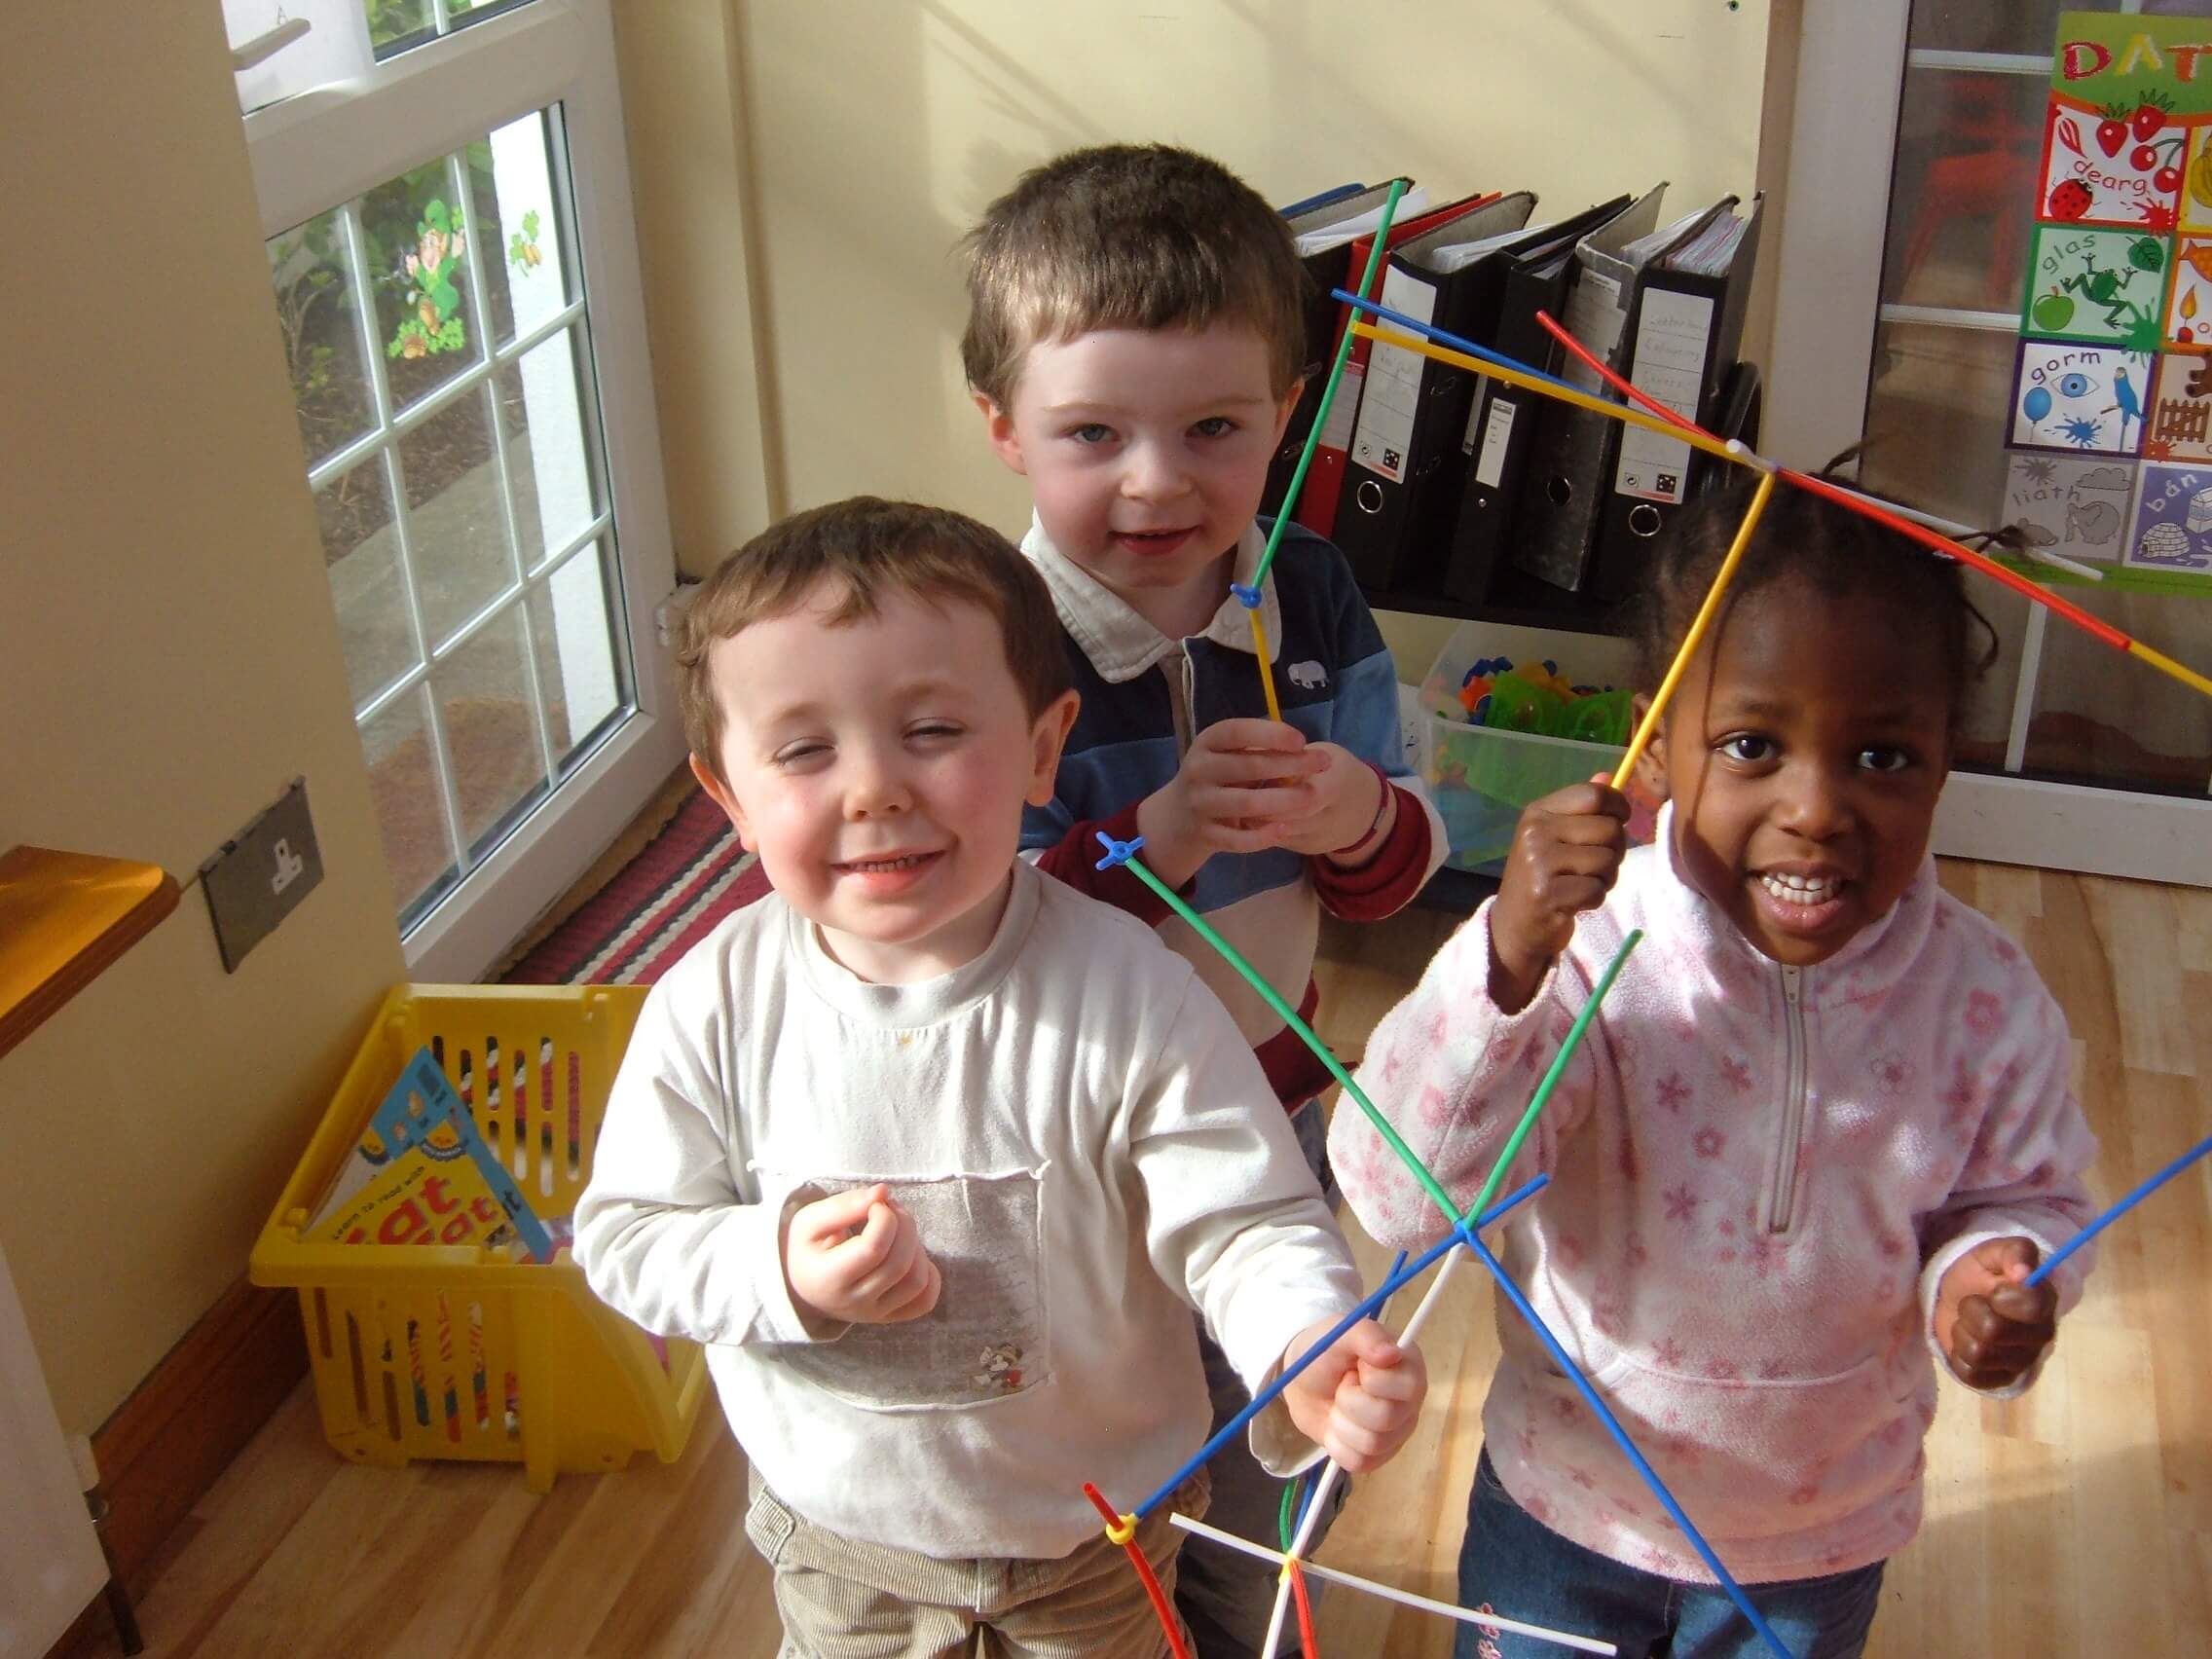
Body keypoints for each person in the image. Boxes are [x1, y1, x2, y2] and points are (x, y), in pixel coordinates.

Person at [573, 497, 1427, 1658]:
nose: (874, 788)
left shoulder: (1130, 990)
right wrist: (774, 1265)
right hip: (843, 1544)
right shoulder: (710, 1005)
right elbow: (629, 1238)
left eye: (932, 730)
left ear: (1040, 748)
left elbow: (1245, 1217)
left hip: (1097, 1541)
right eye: (804, 750)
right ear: (727, 797)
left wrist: (1303, 1336)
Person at [1329, 477, 2098, 1658]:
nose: (1815, 807)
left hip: (1818, 1543)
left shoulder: (1984, 1001)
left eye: (1883, 754)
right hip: (1564, 1512)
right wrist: (1507, 961)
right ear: (1655, 745)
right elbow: (1401, 1199)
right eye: (1750, 745)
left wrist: (1990, 1275)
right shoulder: (1580, 952)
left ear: (1950, 758)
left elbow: (2033, 1199)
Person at [964, 142, 1448, 1653]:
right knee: (1093, 1480)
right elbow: (979, 942)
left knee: (1280, 1442)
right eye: (1092, 433)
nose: (1159, 481)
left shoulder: (1315, 596)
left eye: (1214, 428)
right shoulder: (982, 640)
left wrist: (1355, 809)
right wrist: (1155, 839)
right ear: (1003, 427)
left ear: (1286, 415)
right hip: (1069, 1153)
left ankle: (1243, 1616)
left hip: (1271, 1112)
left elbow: (1398, 872)